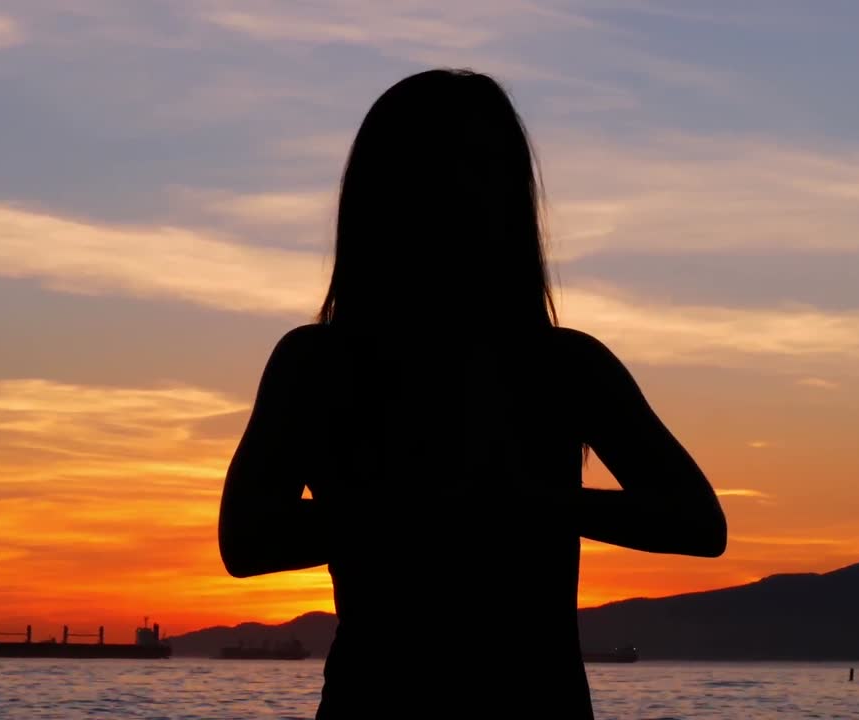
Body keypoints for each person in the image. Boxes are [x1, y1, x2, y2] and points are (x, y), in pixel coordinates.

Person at [217, 68, 727, 719]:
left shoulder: (564, 365)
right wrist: (456, 507)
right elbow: (246, 539)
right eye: (439, 169)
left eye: (478, 169)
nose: (459, 193)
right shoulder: (318, 364)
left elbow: (698, 522)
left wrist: (528, 503)